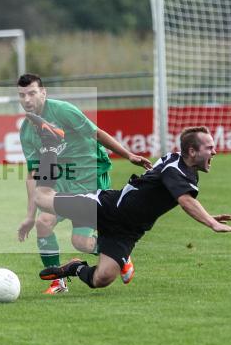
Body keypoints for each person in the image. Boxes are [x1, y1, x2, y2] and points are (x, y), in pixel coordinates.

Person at [30, 123, 231, 290]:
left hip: (127, 231)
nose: (214, 152)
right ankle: (50, 145)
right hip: (105, 207)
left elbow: (182, 198)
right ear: (192, 151)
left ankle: (75, 267)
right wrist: (211, 223)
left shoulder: (186, 170)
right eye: (209, 148)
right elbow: (185, 201)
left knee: (101, 279)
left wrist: (208, 215)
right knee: (41, 198)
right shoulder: (175, 168)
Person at [15, 74, 152, 293]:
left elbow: (95, 132)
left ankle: (120, 255)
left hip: (90, 177)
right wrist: (29, 216)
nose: (27, 99)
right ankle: (58, 281)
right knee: (43, 222)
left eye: (32, 93)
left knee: (79, 241)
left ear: (44, 92)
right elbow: (34, 173)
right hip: (63, 181)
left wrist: (128, 155)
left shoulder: (63, 111)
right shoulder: (26, 131)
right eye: (22, 95)